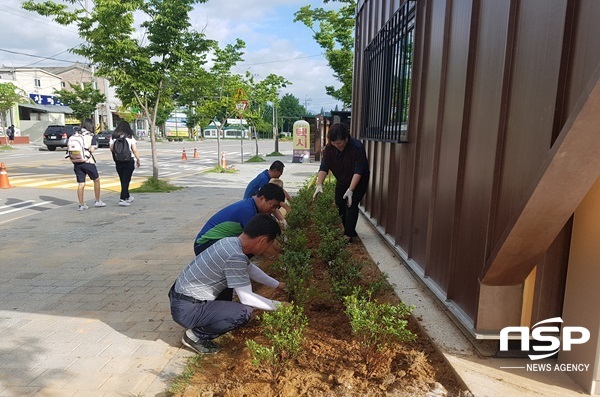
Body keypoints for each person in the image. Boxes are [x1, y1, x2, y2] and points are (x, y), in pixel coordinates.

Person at [170, 213, 286, 354]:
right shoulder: (235, 256)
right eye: (270, 243)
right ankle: (195, 336)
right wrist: (279, 306)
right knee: (243, 312)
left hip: (181, 298)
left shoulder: (230, 242)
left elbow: (250, 269)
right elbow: (246, 298)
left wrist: (277, 285)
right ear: (262, 241)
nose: (267, 249)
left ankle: (207, 318)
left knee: (231, 289)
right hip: (187, 309)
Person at [313, 123, 370, 242]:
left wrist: (351, 190)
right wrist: (319, 184)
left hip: (358, 181)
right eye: (334, 143)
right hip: (342, 179)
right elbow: (324, 166)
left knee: (351, 205)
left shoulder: (357, 147)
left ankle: (349, 235)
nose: (337, 146)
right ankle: (349, 229)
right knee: (340, 203)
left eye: (339, 143)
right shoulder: (329, 148)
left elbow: (358, 170)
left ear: (346, 138)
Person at [193, 183, 285, 256]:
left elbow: (268, 239)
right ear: (262, 198)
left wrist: (282, 250)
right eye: (273, 206)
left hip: (216, 242)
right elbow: (263, 244)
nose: (273, 210)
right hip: (204, 245)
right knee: (253, 246)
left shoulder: (252, 205)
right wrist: (282, 264)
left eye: (277, 207)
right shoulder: (248, 211)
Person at [73, 119, 106, 211]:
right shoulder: (91, 136)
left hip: (77, 162)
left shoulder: (76, 135)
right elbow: (92, 149)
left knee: (81, 183)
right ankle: (98, 200)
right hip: (88, 162)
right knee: (96, 180)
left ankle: (81, 204)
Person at [110, 121, 141, 206]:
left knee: (122, 179)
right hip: (128, 160)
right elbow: (134, 149)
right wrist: (138, 158)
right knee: (126, 180)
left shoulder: (114, 136)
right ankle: (122, 199)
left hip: (118, 161)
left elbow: (111, 148)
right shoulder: (130, 136)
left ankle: (127, 196)